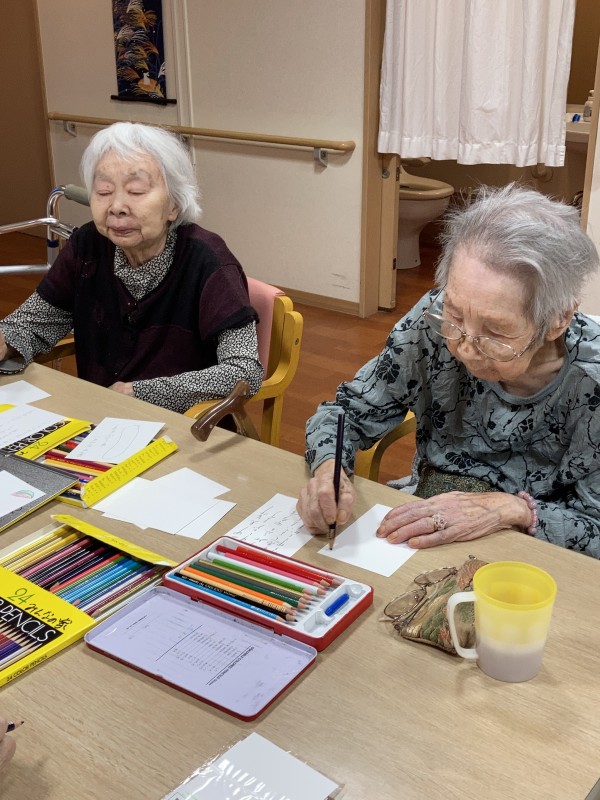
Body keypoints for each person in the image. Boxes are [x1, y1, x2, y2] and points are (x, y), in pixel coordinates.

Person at [298, 183, 600, 558]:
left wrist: (513, 510)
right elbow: (346, 412)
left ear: (558, 320)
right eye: (455, 314)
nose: (465, 347)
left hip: (538, 552)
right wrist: (328, 470)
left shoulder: (591, 383)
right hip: (429, 513)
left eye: (495, 331)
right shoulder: (434, 321)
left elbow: (595, 529)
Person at [0, 122, 263, 413]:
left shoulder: (209, 262)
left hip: (183, 425)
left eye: (136, 191)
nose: (117, 206)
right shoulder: (88, 245)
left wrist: (140, 393)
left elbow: (244, 372)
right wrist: (6, 339)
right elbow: (34, 322)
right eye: (103, 191)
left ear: (174, 205)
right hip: (100, 416)